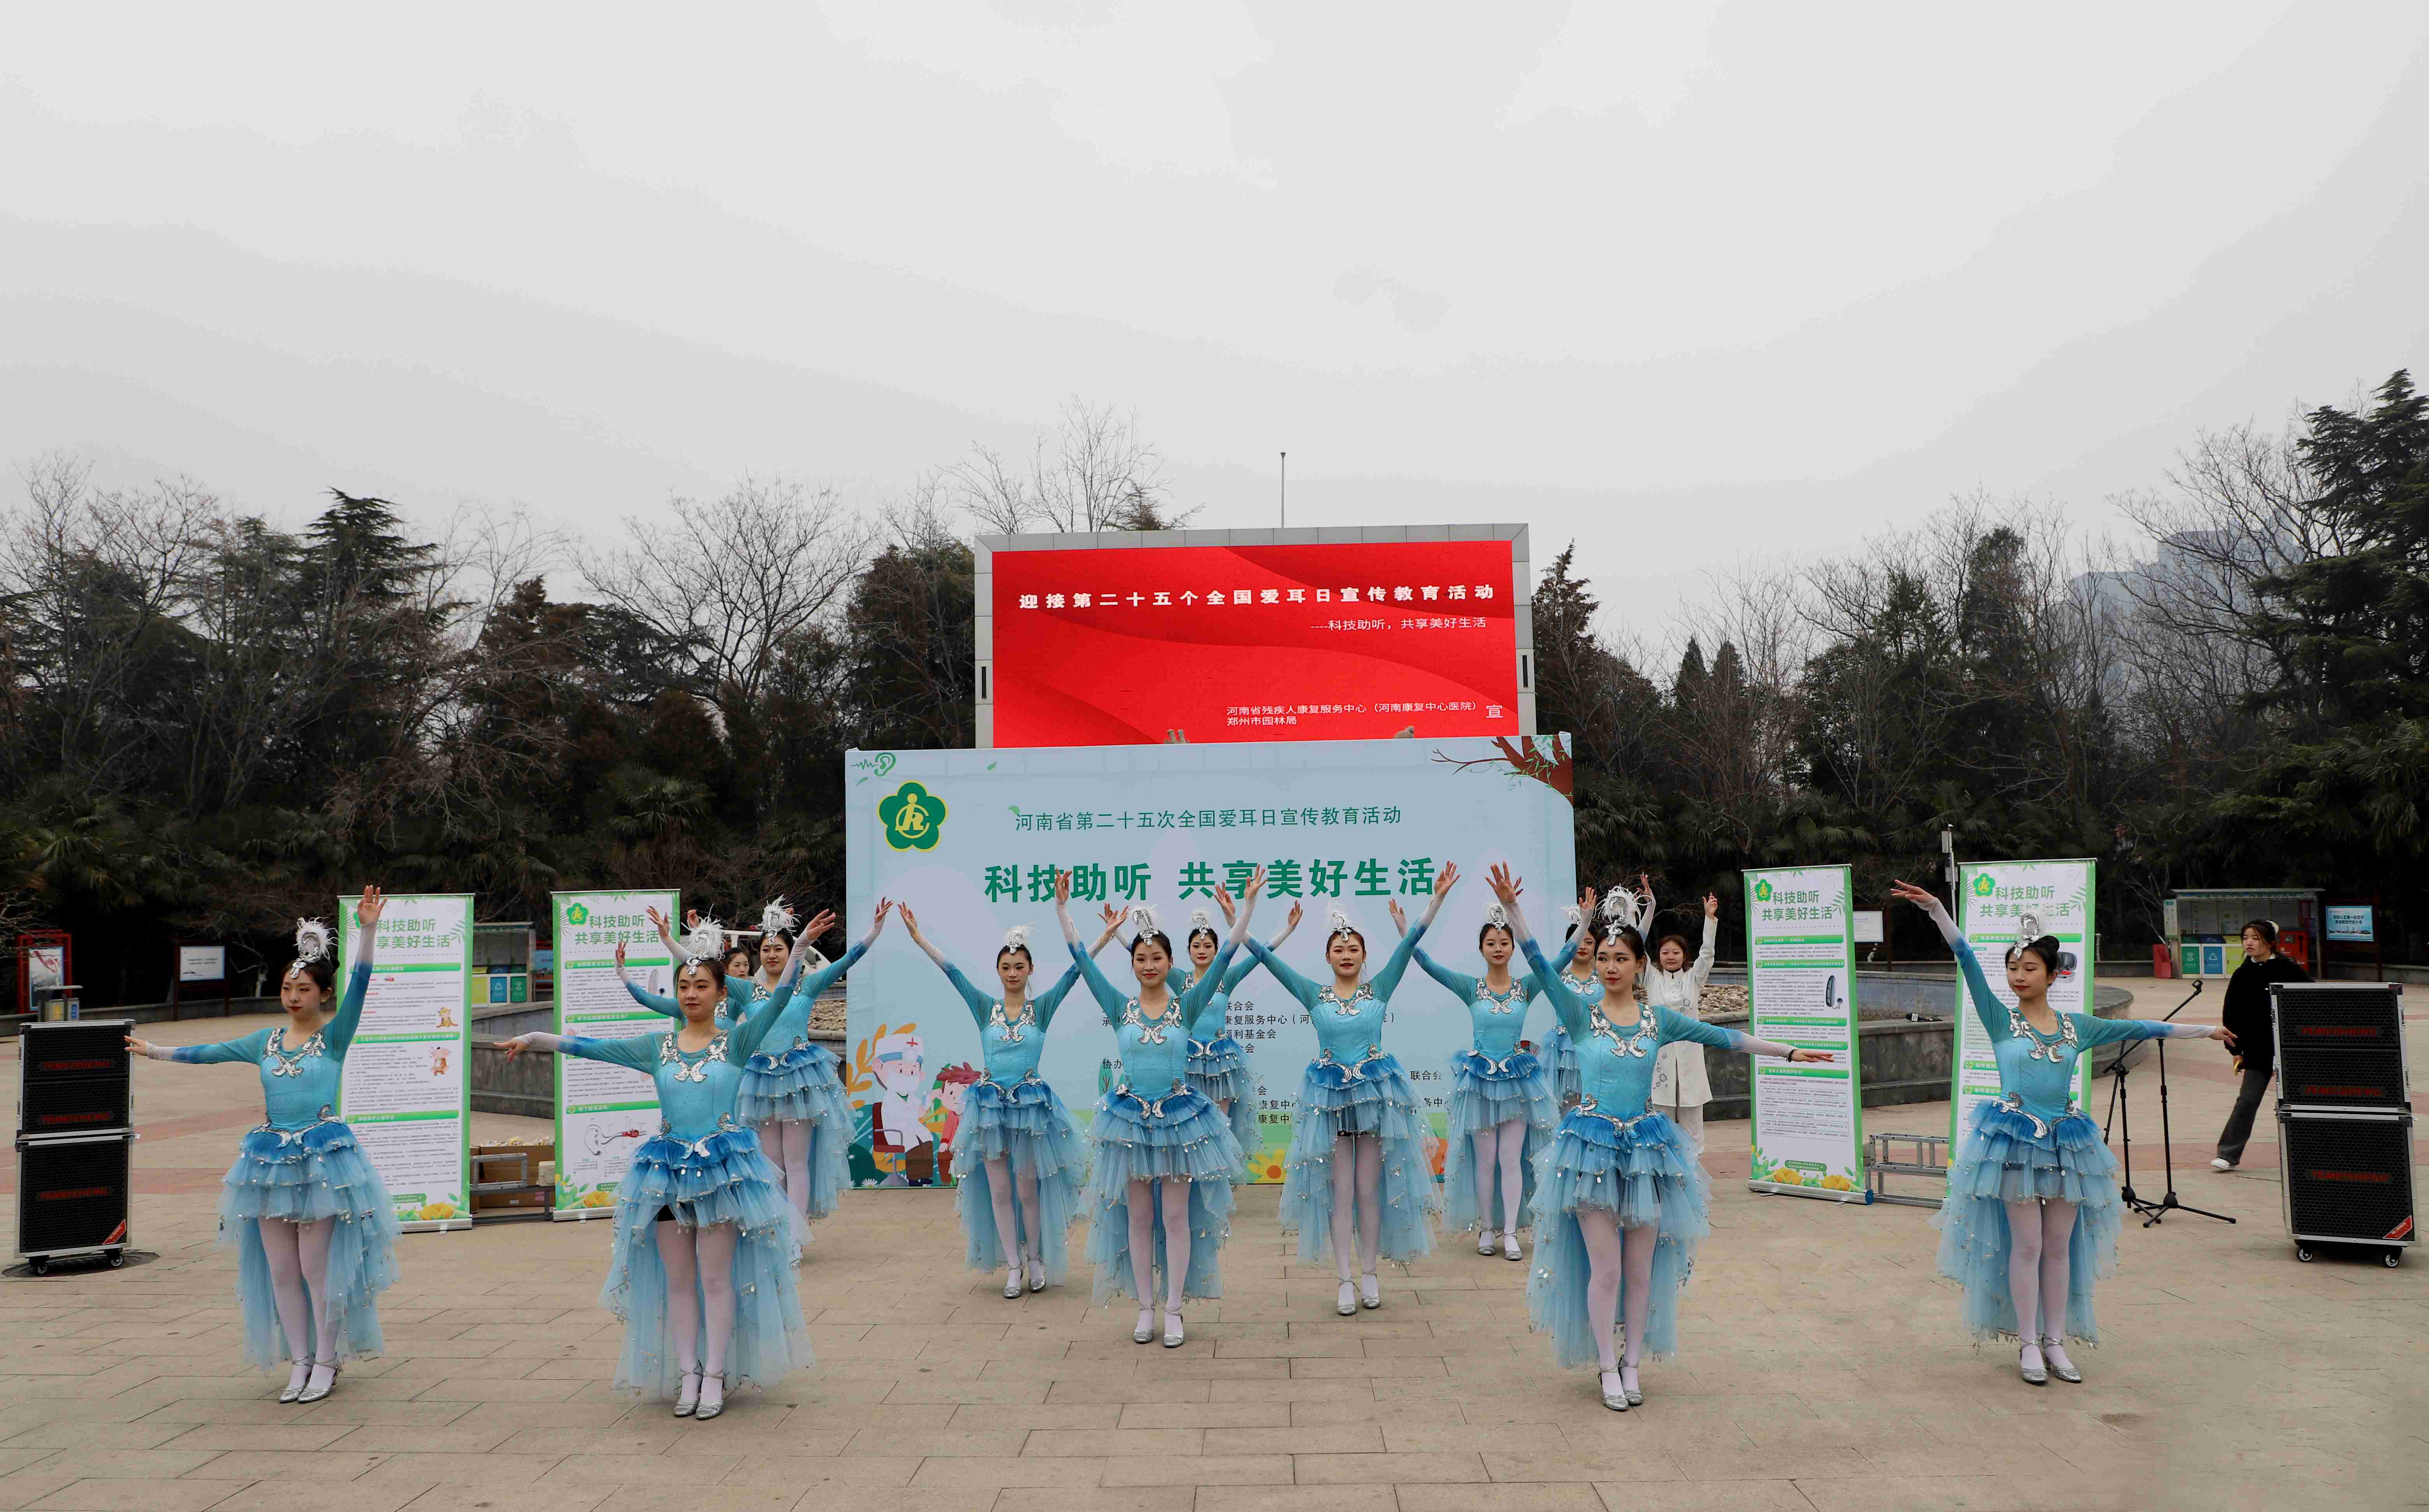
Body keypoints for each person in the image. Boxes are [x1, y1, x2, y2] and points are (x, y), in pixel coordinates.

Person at [500, 902, 889, 1416]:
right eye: (684, 985)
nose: (691, 993)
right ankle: (689, 1374)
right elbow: (592, 1046)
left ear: (722, 993)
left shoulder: (738, 1042)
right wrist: (535, 1038)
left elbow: (779, 1000)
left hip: (723, 1177)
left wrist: (797, 948)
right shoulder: (656, 1046)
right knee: (679, 1281)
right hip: (665, 1178)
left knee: (716, 1279)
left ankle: (717, 1374)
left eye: (702, 985)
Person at [1504, 870, 1833, 1411]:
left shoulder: (1659, 1020)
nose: (1610, 966)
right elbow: (1540, 961)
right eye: (1604, 958)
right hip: (1589, 1151)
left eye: (1621, 958)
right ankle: (1606, 1366)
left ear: (1641, 965)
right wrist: (1513, 912)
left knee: (1641, 1271)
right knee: (1606, 1269)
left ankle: (1633, 1363)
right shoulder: (1580, 1015)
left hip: (1647, 1152)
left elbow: (1723, 1037)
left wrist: (1789, 1052)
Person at [1891, 879, 2230, 1385]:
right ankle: (2029, 1342)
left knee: (2058, 1247)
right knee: (2027, 1246)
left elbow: (2141, 1029)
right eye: (2013, 967)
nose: (2019, 976)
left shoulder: (2077, 1027)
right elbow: (1965, 958)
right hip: (2014, 1142)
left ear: (2053, 974)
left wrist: (2206, 1030)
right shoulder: (2000, 1020)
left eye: (2030, 968)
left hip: (2067, 1143)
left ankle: (2056, 1340)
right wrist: (1938, 908)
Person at [127, 892, 402, 1405]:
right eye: (287, 988)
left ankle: (327, 1360)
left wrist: (368, 931)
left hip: (322, 1160)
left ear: (324, 994)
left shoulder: (335, 1037)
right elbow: (209, 1052)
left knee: (317, 1270)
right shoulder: (265, 1041)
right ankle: (299, 1360)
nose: (293, 997)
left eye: (304, 989)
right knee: (281, 1270)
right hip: (269, 1161)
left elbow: (362, 981)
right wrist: (155, 1051)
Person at [1056, 870, 1265, 1347]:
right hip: (1129, 1122)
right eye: (1141, 958)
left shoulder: (1186, 1006)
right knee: (1137, 1218)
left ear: (1171, 963)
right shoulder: (1119, 1006)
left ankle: (1173, 1308)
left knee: (1175, 1217)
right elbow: (1081, 957)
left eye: (1157, 958)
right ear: (1133, 964)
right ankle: (1145, 1308)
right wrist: (1062, 909)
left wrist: (1247, 908)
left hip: (1178, 1122)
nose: (1149, 964)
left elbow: (1228, 952)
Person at [1245, 865, 1455, 1316]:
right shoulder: (1313, 993)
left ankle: (1370, 1272)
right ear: (1328, 957)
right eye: (1339, 949)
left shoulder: (1380, 988)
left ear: (1364, 955)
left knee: (1367, 1190)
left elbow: (1412, 941)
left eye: (1353, 948)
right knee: (1340, 1192)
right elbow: (1263, 956)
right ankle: (1344, 1278)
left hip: (1376, 1099)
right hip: (1330, 1099)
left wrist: (1436, 899)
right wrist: (1240, 914)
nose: (1346, 954)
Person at [897, 903, 1127, 1296]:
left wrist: (1105, 937)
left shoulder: (1042, 1008)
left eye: (1020, 966)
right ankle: (1014, 1266)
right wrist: (919, 939)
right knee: (1000, 1192)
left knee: (1026, 1189)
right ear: (998, 970)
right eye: (1006, 967)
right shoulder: (984, 1007)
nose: (1013, 973)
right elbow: (953, 972)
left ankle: (1035, 1257)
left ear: (1031, 969)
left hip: (1030, 1110)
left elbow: (1077, 972)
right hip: (988, 1110)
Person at [630, 900, 859, 1239]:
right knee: (772, 1163)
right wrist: (668, 939)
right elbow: (701, 968)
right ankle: (778, 1232)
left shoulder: (807, 986)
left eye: (779, 949)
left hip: (800, 1081)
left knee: (797, 1163)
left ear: (790, 952)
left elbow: (848, 960)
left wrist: (874, 932)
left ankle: (796, 1237)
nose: (772, 955)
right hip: (760, 1082)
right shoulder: (747, 990)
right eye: (766, 949)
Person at [1396, 893, 1559, 1261]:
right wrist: (1407, 933)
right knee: (1486, 1162)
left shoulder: (1527, 986)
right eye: (1491, 943)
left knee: (1512, 1160)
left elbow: (1558, 961)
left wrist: (1581, 923)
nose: (1498, 948)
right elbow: (1427, 964)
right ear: (1481, 949)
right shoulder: (1471, 987)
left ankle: (1511, 1232)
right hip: (1480, 1084)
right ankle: (1486, 1229)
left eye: (1504, 943)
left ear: (1514, 948)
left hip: (1518, 1082)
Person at [1178, 902, 1305, 1164]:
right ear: (1188, 950)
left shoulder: (1228, 977)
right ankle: (1193, 1181)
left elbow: (1262, 953)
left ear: (1217, 951)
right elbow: (1144, 957)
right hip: (1186, 1061)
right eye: (1196, 946)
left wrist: (1289, 930)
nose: (1202, 951)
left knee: (1220, 1126)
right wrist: (1117, 935)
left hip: (1221, 1062)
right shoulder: (1179, 979)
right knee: (1189, 1125)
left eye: (1208, 946)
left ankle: (1222, 1180)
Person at [2212, 919, 2311, 1170]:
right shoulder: (2242, 974)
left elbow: (2312, 999)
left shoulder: (2289, 969)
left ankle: (2310, 1154)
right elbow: (2232, 1014)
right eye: (2246, 938)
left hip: (2291, 1047)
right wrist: (2236, 1050)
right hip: (2258, 1050)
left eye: (2256, 938)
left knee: (2302, 1104)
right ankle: (2228, 1154)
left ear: (2270, 942)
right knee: (2247, 1100)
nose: (2249, 943)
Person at [1644, 893, 1722, 1152]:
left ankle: (1692, 1172)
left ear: (1684, 956)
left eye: (1676, 952)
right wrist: (1648, 908)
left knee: (1693, 1128)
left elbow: (1707, 955)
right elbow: (1634, 947)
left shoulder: (1693, 979)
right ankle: (1662, 1171)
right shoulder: (1651, 978)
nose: (1670, 957)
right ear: (1658, 956)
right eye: (1665, 952)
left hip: (1690, 1056)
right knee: (1660, 1124)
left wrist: (1709, 919)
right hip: (1660, 1057)